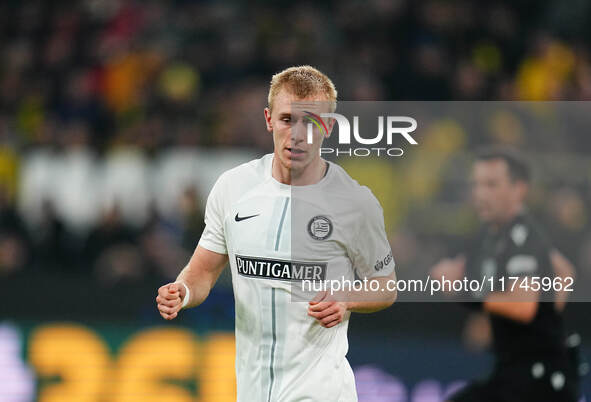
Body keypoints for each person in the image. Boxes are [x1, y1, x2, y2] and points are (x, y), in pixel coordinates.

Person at [155, 65, 397, 401]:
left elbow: (385, 286)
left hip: (320, 392)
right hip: (253, 392)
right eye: (287, 120)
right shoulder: (233, 187)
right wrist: (182, 290)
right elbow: (203, 271)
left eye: (311, 122)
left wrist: (347, 298)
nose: (297, 134)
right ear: (269, 119)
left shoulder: (355, 203)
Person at [431, 148, 581, 402]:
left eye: (491, 184)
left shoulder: (523, 235)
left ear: (518, 189)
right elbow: (564, 271)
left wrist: (463, 292)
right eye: (476, 184)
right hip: (515, 374)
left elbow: (523, 305)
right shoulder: (491, 235)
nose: (480, 194)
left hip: (540, 382)